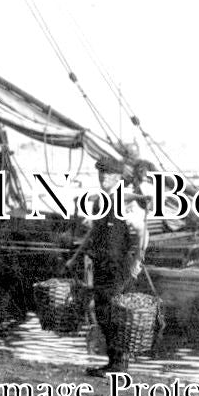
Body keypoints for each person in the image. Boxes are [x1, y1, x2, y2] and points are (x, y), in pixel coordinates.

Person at [76, 155, 149, 377]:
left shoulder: (125, 201)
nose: (103, 177)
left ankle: (119, 365)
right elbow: (94, 231)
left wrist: (138, 261)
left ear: (118, 177)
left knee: (114, 311)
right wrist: (76, 256)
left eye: (108, 173)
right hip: (101, 263)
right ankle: (113, 363)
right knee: (101, 310)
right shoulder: (101, 200)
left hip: (119, 265)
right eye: (101, 173)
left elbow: (143, 233)